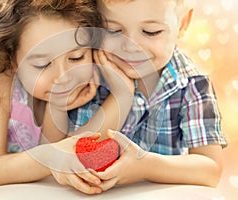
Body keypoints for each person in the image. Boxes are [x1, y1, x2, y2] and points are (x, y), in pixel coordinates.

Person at [0, 0, 134, 199]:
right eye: (42, 64)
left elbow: (63, 155)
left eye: (76, 58)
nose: (64, 76)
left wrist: (122, 95)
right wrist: (53, 155)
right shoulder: (1, 81)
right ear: (12, 59)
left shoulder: (88, 82)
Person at [70, 0, 227, 192]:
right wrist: (121, 96)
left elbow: (210, 169)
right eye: (113, 31)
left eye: (151, 32)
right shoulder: (87, 73)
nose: (130, 46)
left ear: (183, 23)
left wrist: (145, 165)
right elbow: (71, 156)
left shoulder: (193, 84)